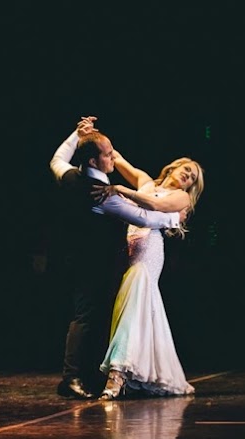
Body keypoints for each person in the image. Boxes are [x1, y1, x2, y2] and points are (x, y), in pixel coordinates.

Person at [48, 116, 185, 399]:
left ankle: (88, 374)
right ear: (94, 161)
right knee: (87, 317)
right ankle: (72, 378)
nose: (114, 157)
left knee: (95, 316)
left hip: (80, 258)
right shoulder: (101, 194)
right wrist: (174, 219)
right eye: (108, 154)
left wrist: (76, 134)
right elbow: (142, 217)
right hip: (94, 263)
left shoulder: (72, 175)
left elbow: (57, 159)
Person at [91, 146, 204, 400]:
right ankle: (137, 370)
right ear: (174, 167)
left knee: (133, 309)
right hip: (128, 253)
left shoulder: (181, 197)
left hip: (148, 252)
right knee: (134, 310)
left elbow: (154, 203)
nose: (188, 176)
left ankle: (117, 373)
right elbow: (116, 157)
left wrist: (120, 189)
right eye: (187, 170)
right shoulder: (145, 181)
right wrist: (90, 135)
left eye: (192, 178)